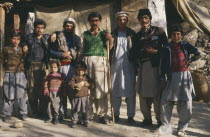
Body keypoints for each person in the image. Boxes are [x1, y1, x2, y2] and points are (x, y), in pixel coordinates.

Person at [160, 24, 201, 137]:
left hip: (184, 76)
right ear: (171, 36)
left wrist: (190, 60)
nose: (176, 36)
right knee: (166, 101)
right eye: (174, 34)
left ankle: (182, 129)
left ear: (181, 36)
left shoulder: (186, 45)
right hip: (171, 76)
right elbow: (163, 64)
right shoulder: (166, 47)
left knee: (185, 102)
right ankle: (165, 126)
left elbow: (198, 54)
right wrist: (162, 77)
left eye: (178, 34)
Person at [133, 9, 168, 127]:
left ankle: (159, 120)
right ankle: (147, 118)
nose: (144, 20)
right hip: (142, 67)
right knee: (142, 94)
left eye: (146, 18)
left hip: (155, 66)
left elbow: (167, 49)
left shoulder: (159, 31)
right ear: (138, 20)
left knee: (156, 94)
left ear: (150, 19)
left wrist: (156, 51)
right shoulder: (137, 36)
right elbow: (134, 53)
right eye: (141, 18)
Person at [79, 12, 113, 124]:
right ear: (89, 21)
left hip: (100, 61)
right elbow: (81, 50)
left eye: (96, 20)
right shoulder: (84, 34)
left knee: (100, 88)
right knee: (87, 88)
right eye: (92, 20)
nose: (94, 22)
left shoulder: (105, 34)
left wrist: (110, 39)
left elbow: (110, 47)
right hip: (87, 61)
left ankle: (102, 115)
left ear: (100, 21)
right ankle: (87, 114)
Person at [50, 18, 81, 118]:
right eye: (67, 26)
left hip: (72, 66)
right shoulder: (57, 36)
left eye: (71, 26)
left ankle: (74, 114)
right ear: (64, 26)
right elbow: (51, 51)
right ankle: (61, 113)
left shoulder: (76, 38)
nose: (69, 28)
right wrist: (61, 54)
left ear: (74, 27)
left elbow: (80, 51)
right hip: (60, 65)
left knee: (71, 89)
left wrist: (71, 52)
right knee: (61, 89)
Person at [110, 11, 136, 124]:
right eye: (120, 20)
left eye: (124, 19)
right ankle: (115, 114)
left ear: (127, 20)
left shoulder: (132, 34)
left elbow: (136, 49)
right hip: (115, 65)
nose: (122, 22)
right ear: (116, 21)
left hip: (129, 65)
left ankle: (130, 115)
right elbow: (108, 48)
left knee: (130, 90)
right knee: (115, 89)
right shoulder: (112, 33)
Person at [23, 19, 50, 118]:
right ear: (34, 28)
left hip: (43, 65)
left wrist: (56, 34)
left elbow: (59, 34)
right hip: (31, 65)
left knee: (44, 88)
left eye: (42, 28)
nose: (39, 30)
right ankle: (34, 111)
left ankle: (43, 111)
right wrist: (24, 45)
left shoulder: (47, 38)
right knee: (31, 89)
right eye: (38, 27)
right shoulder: (28, 37)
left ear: (44, 29)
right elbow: (20, 41)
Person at [0, 30, 28, 122]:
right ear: (10, 39)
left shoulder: (23, 49)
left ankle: (23, 113)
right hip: (9, 73)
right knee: (8, 93)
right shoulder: (6, 49)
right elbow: (1, 60)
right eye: (14, 39)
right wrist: (5, 69)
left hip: (20, 73)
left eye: (18, 39)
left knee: (22, 94)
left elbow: (26, 60)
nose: (16, 41)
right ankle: (7, 114)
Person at [69, 61, 94, 127]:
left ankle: (85, 120)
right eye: (78, 70)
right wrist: (75, 85)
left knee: (85, 109)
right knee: (75, 109)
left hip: (84, 97)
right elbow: (70, 84)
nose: (80, 72)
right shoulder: (74, 77)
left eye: (82, 70)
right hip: (76, 96)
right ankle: (74, 121)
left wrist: (88, 84)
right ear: (75, 70)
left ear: (85, 70)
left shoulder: (87, 77)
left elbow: (92, 84)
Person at [44, 60, 66, 124]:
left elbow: (64, 84)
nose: (53, 69)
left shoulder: (61, 75)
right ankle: (50, 117)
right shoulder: (49, 75)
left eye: (55, 67)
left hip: (57, 93)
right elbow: (46, 83)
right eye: (51, 67)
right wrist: (46, 90)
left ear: (58, 67)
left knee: (56, 106)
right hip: (50, 92)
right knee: (49, 105)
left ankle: (57, 118)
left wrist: (64, 91)